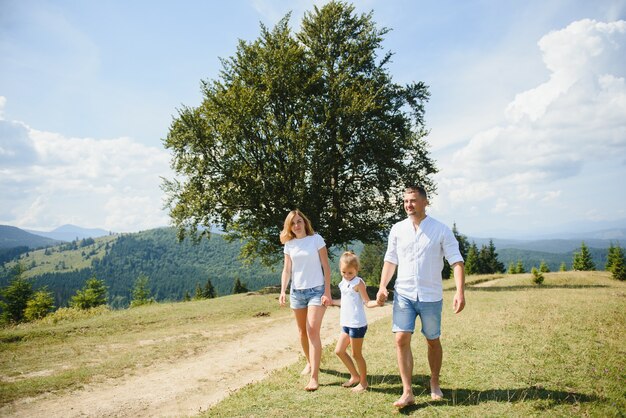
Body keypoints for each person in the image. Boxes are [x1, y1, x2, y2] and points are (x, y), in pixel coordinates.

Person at [376, 185, 465, 408]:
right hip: (403, 294)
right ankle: (407, 392)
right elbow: (390, 260)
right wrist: (382, 286)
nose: (409, 205)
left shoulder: (441, 230)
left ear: (425, 202)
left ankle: (434, 382)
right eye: (406, 201)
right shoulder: (397, 229)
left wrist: (460, 291)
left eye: (413, 200)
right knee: (400, 339)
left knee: (432, 340)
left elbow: (456, 261)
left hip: (430, 296)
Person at [280, 209, 332, 391]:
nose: (296, 225)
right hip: (297, 292)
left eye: (299, 221)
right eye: (293, 223)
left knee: (312, 331)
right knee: (302, 332)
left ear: (305, 222)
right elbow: (287, 270)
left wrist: (327, 291)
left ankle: (314, 378)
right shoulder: (289, 245)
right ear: (290, 227)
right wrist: (282, 291)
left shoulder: (316, 239)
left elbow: (326, 266)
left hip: (316, 291)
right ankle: (310, 362)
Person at [331, 251, 380, 393]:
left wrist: (378, 302)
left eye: (350, 273)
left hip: (357, 324)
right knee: (339, 351)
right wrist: (331, 302)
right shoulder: (342, 283)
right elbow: (344, 301)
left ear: (356, 270)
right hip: (346, 323)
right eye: (343, 272)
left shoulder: (358, 283)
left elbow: (367, 302)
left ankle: (363, 383)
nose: (347, 275)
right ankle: (355, 376)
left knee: (356, 354)